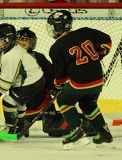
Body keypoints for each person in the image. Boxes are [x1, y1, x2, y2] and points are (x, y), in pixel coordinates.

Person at [47, 10, 114, 150]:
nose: (52, 30)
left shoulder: (56, 48)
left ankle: (76, 131)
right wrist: (98, 56)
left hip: (79, 83)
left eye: (53, 26)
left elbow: (60, 77)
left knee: (64, 101)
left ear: (60, 27)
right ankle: (104, 134)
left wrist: (58, 86)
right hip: (98, 80)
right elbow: (106, 42)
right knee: (88, 105)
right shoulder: (86, 31)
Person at [0, 23, 45, 139]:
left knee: (8, 100)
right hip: (30, 79)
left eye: (0, 40)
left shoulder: (12, 55)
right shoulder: (9, 49)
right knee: (19, 102)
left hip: (31, 82)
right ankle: (20, 128)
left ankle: (10, 129)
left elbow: (4, 86)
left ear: (8, 40)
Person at [16, 27, 58, 137]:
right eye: (19, 43)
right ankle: (51, 121)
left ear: (31, 44)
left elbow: (49, 74)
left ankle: (23, 121)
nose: (22, 46)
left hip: (27, 97)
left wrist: (53, 87)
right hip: (27, 97)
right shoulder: (10, 58)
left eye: (24, 44)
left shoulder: (39, 57)